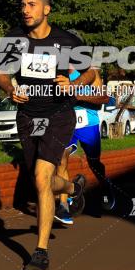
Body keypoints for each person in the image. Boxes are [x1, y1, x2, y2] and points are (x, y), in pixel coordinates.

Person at [0, 0, 96, 270]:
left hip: (59, 115)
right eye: (23, 5)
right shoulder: (14, 39)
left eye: (32, 5)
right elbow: (1, 73)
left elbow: (90, 70)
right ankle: (73, 187)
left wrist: (74, 84)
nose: (25, 10)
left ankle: (40, 253)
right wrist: (9, 89)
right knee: (42, 183)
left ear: (46, 9)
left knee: (41, 177)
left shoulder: (66, 41)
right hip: (27, 117)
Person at [53, 69, 115, 224]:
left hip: (88, 123)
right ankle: (63, 205)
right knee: (61, 160)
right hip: (66, 122)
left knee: (94, 162)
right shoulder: (56, 72)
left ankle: (105, 186)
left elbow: (104, 98)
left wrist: (78, 96)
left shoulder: (90, 72)